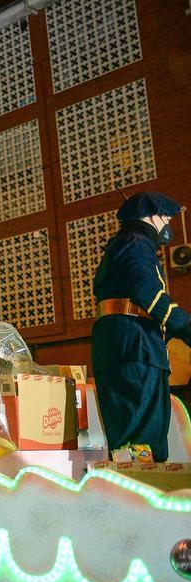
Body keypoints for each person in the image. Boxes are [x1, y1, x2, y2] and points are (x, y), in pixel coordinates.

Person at [92, 192, 190, 463]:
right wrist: (186, 326)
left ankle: (132, 482)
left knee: (129, 430)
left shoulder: (122, 245)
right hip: (135, 347)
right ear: (150, 217)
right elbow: (149, 294)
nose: (167, 226)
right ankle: (142, 488)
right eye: (166, 219)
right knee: (142, 427)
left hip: (122, 346)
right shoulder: (135, 243)